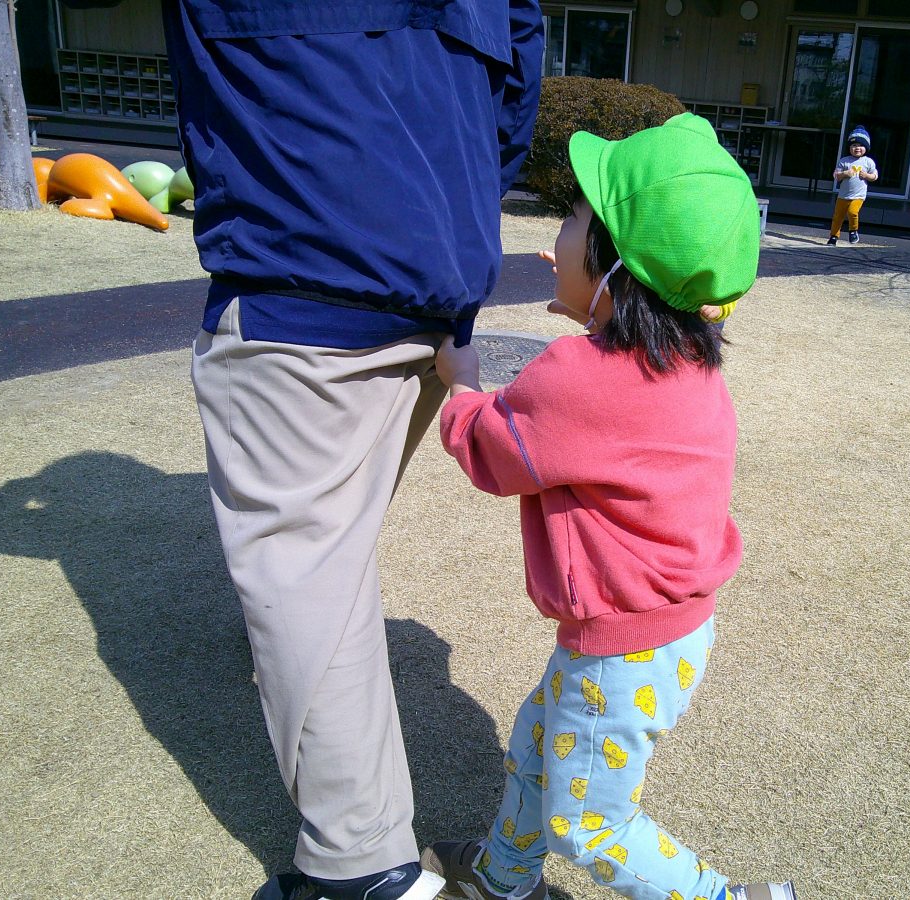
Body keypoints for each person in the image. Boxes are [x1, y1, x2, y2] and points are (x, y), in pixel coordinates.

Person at [160, 2, 544, 898]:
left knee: (311, 565)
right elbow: (520, 54)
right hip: (439, 264)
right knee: (331, 557)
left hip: (303, 259)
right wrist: (454, 198)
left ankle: (359, 869)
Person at [422, 113, 797, 900]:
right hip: (667, 632)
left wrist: (462, 382)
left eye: (572, 218)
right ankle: (503, 875)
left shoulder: (580, 377)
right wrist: (592, 308)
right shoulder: (686, 364)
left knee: (589, 823)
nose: (557, 235)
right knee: (536, 747)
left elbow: (494, 449)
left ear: (614, 264)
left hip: (622, 649)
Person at [827, 125, 878, 245]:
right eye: (854, 145)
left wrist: (867, 175)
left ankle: (853, 231)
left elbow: (875, 176)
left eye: (860, 145)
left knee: (852, 212)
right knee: (838, 217)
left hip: (858, 196)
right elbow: (836, 176)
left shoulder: (868, 162)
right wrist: (845, 173)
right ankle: (834, 236)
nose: (857, 148)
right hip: (843, 195)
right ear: (849, 147)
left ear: (866, 147)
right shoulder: (844, 160)